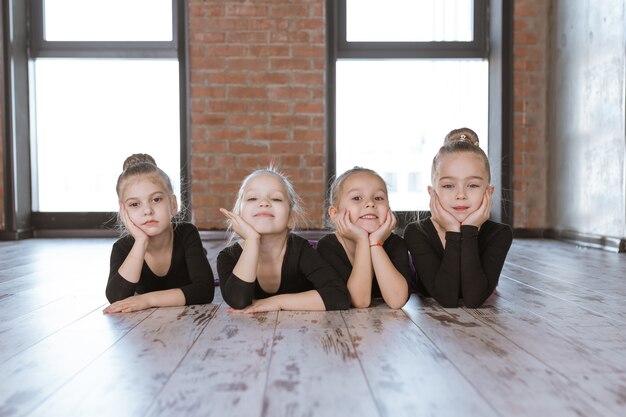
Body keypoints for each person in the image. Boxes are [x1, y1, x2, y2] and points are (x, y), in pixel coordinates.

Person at [404, 128, 513, 308]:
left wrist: (468, 229)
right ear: (433, 193)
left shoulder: (500, 234)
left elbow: (473, 299)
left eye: (472, 185)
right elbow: (446, 297)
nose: (460, 194)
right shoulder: (417, 232)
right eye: (448, 185)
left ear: (489, 192)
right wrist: (453, 230)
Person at [217, 167, 351, 313]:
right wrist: (252, 240)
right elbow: (238, 301)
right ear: (239, 215)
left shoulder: (302, 251)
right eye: (252, 198)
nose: (264, 203)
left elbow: (339, 296)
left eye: (276, 198)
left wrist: (278, 302)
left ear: (291, 218)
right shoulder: (228, 257)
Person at [104, 154, 214, 313]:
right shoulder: (122, 248)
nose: (147, 210)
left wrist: (147, 299)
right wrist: (140, 241)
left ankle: (200, 254)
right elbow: (116, 298)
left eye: (156, 200)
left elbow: (205, 291)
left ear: (173, 204)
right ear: (124, 212)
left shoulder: (187, 234)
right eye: (134, 204)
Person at [317, 167, 411, 309]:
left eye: (378, 198)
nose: (370, 203)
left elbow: (397, 301)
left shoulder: (396, 244)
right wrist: (362, 240)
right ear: (334, 213)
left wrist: (375, 244)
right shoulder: (328, 246)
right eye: (357, 198)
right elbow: (359, 301)